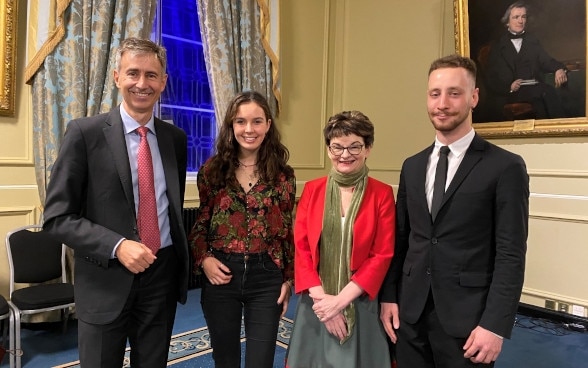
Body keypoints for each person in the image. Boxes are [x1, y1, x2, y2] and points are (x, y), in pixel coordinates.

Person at [42, 38, 189, 367]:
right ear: (116, 77)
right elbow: (57, 217)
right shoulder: (84, 133)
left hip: (161, 276)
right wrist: (118, 244)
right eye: (133, 73)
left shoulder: (175, 139)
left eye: (151, 75)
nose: (142, 83)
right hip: (104, 279)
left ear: (163, 82)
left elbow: (171, 207)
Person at [380, 54, 529, 368]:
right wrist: (389, 296)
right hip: (410, 314)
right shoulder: (413, 165)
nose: (442, 103)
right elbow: (402, 239)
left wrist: (495, 325)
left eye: (454, 93)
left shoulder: (505, 167)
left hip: (470, 323)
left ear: (474, 97)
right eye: (435, 94)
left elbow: (510, 254)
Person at [188, 90, 296, 368]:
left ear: (268, 125)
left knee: (261, 361)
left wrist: (287, 279)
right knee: (226, 360)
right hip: (222, 275)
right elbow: (201, 223)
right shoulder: (212, 171)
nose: (249, 129)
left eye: (257, 121)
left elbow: (286, 231)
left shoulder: (283, 175)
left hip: (266, 277)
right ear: (231, 125)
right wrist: (204, 259)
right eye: (241, 121)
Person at [286, 111, 396, 368]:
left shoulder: (382, 194)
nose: (345, 154)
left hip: (359, 301)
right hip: (317, 302)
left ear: (368, 148)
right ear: (328, 149)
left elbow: (381, 255)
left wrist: (340, 302)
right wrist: (325, 304)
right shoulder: (312, 190)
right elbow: (301, 249)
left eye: (354, 146)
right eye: (337, 147)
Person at [484, 1, 567, 119]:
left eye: (523, 17)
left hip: (534, 88)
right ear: (507, 21)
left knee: (546, 97)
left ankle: (559, 129)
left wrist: (559, 68)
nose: (520, 21)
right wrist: (509, 87)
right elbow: (491, 78)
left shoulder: (532, 41)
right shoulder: (498, 46)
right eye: (516, 17)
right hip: (510, 94)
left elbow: (546, 61)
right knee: (547, 92)